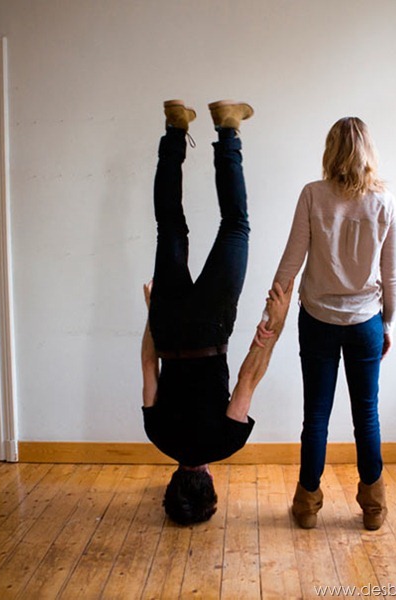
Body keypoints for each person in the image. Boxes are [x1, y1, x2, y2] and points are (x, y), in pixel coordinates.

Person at [141, 99, 292, 525]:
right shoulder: (158, 437)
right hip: (169, 328)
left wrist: (273, 326)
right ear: (172, 482)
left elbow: (247, 377)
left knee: (236, 225)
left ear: (209, 484)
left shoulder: (225, 443)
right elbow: (148, 365)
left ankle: (228, 128)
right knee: (169, 226)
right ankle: (174, 128)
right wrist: (154, 314)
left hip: (210, 330)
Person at [256, 117, 396, 530]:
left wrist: (271, 317)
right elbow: (391, 277)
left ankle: (306, 505)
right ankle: (373, 507)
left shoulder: (313, 195)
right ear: (368, 151)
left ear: (331, 149)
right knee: (366, 415)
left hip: (317, 319)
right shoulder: (384, 201)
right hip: (366, 323)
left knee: (315, 415)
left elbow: (290, 263)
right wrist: (387, 323)